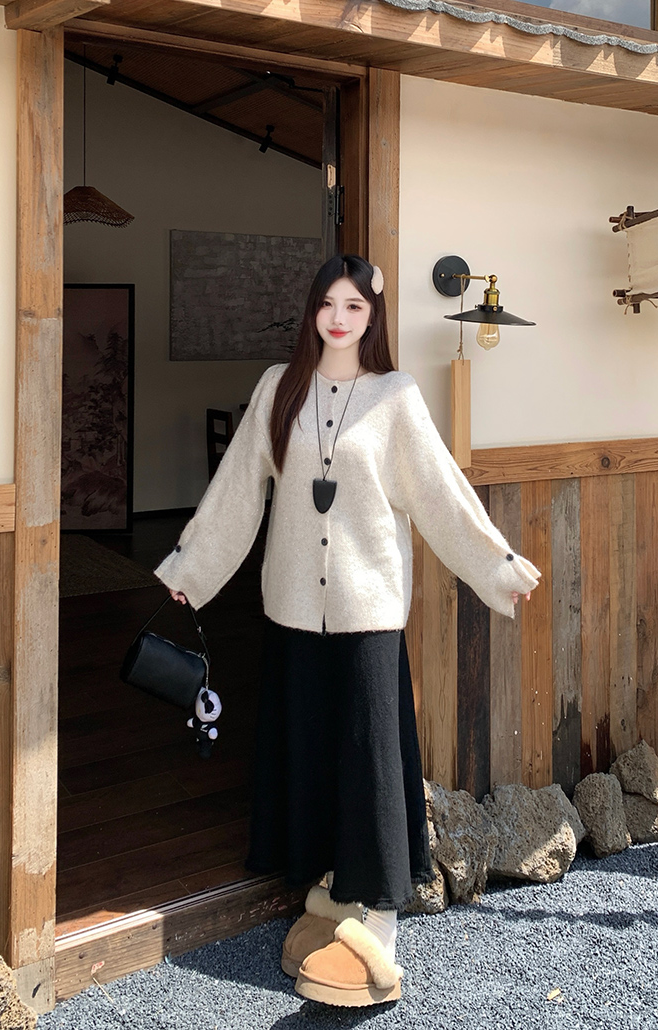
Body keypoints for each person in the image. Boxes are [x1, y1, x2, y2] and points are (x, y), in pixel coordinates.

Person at [154, 254, 540, 1008]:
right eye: (327, 303)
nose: (338, 318)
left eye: (354, 306)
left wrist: (496, 566)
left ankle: (381, 923)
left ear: (372, 317)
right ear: (312, 311)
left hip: (369, 615)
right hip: (292, 610)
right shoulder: (278, 388)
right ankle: (326, 895)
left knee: (371, 761)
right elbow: (237, 490)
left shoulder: (396, 397)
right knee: (306, 750)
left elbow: (440, 494)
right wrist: (191, 568)